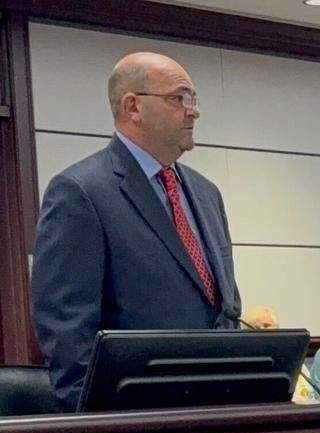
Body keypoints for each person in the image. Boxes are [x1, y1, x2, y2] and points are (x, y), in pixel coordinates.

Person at [31, 52, 241, 410]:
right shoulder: (80, 192)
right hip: (138, 418)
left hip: (220, 410)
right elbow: (67, 329)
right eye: (179, 98)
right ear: (133, 107)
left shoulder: (206, 193)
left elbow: (224, 306)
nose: (194, 111)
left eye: (194, 99)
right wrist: (99, 423)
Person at [239, 304, 316, 402]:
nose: (261, 332)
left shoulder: (293, 360)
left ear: (278, 329)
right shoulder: (243, 366)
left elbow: (310, 396)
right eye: (254, 328)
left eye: (266, 326)